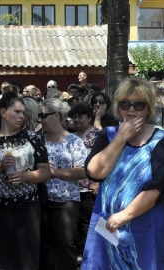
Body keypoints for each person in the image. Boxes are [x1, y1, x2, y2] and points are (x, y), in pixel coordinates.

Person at [82, 77, 164, 270]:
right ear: (118, 107)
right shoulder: (108, 135)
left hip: (145, 227)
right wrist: (120, 138)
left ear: (148, 108)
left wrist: (124, 216)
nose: (131, 110)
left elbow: (160, 186)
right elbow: (94, 172)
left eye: (139, 104)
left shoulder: (160, 139)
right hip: (107, 227)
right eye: (125, 104)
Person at [0, 92, 51, 270]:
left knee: (26, 260)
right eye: (16, 112)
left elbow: (46, 171)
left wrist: (26, 176)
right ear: (3, 112)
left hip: (27, 208)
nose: (21, 116)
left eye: (23, 112)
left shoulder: (33, 138)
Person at [38, 98, 88, 270]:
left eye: (43, 115)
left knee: (65, 244)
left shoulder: (74, 141)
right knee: (45, 245)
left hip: (67, 201)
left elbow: (83, 171)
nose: (40, 119)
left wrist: (54, 173)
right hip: (42, 200)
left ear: (56, 115)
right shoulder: (39, 140)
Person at [67, 102, 101, 261]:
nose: (77, 120)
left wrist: (97, 181)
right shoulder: (71, 136)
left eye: (80, 116)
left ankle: (93, 255)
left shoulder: (97, 135)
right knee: (76, 225)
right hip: (74, 188)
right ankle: (81, 254)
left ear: (89, 118)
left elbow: (102, 160)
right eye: (74, 117)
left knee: (89, 224)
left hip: (90, 189)